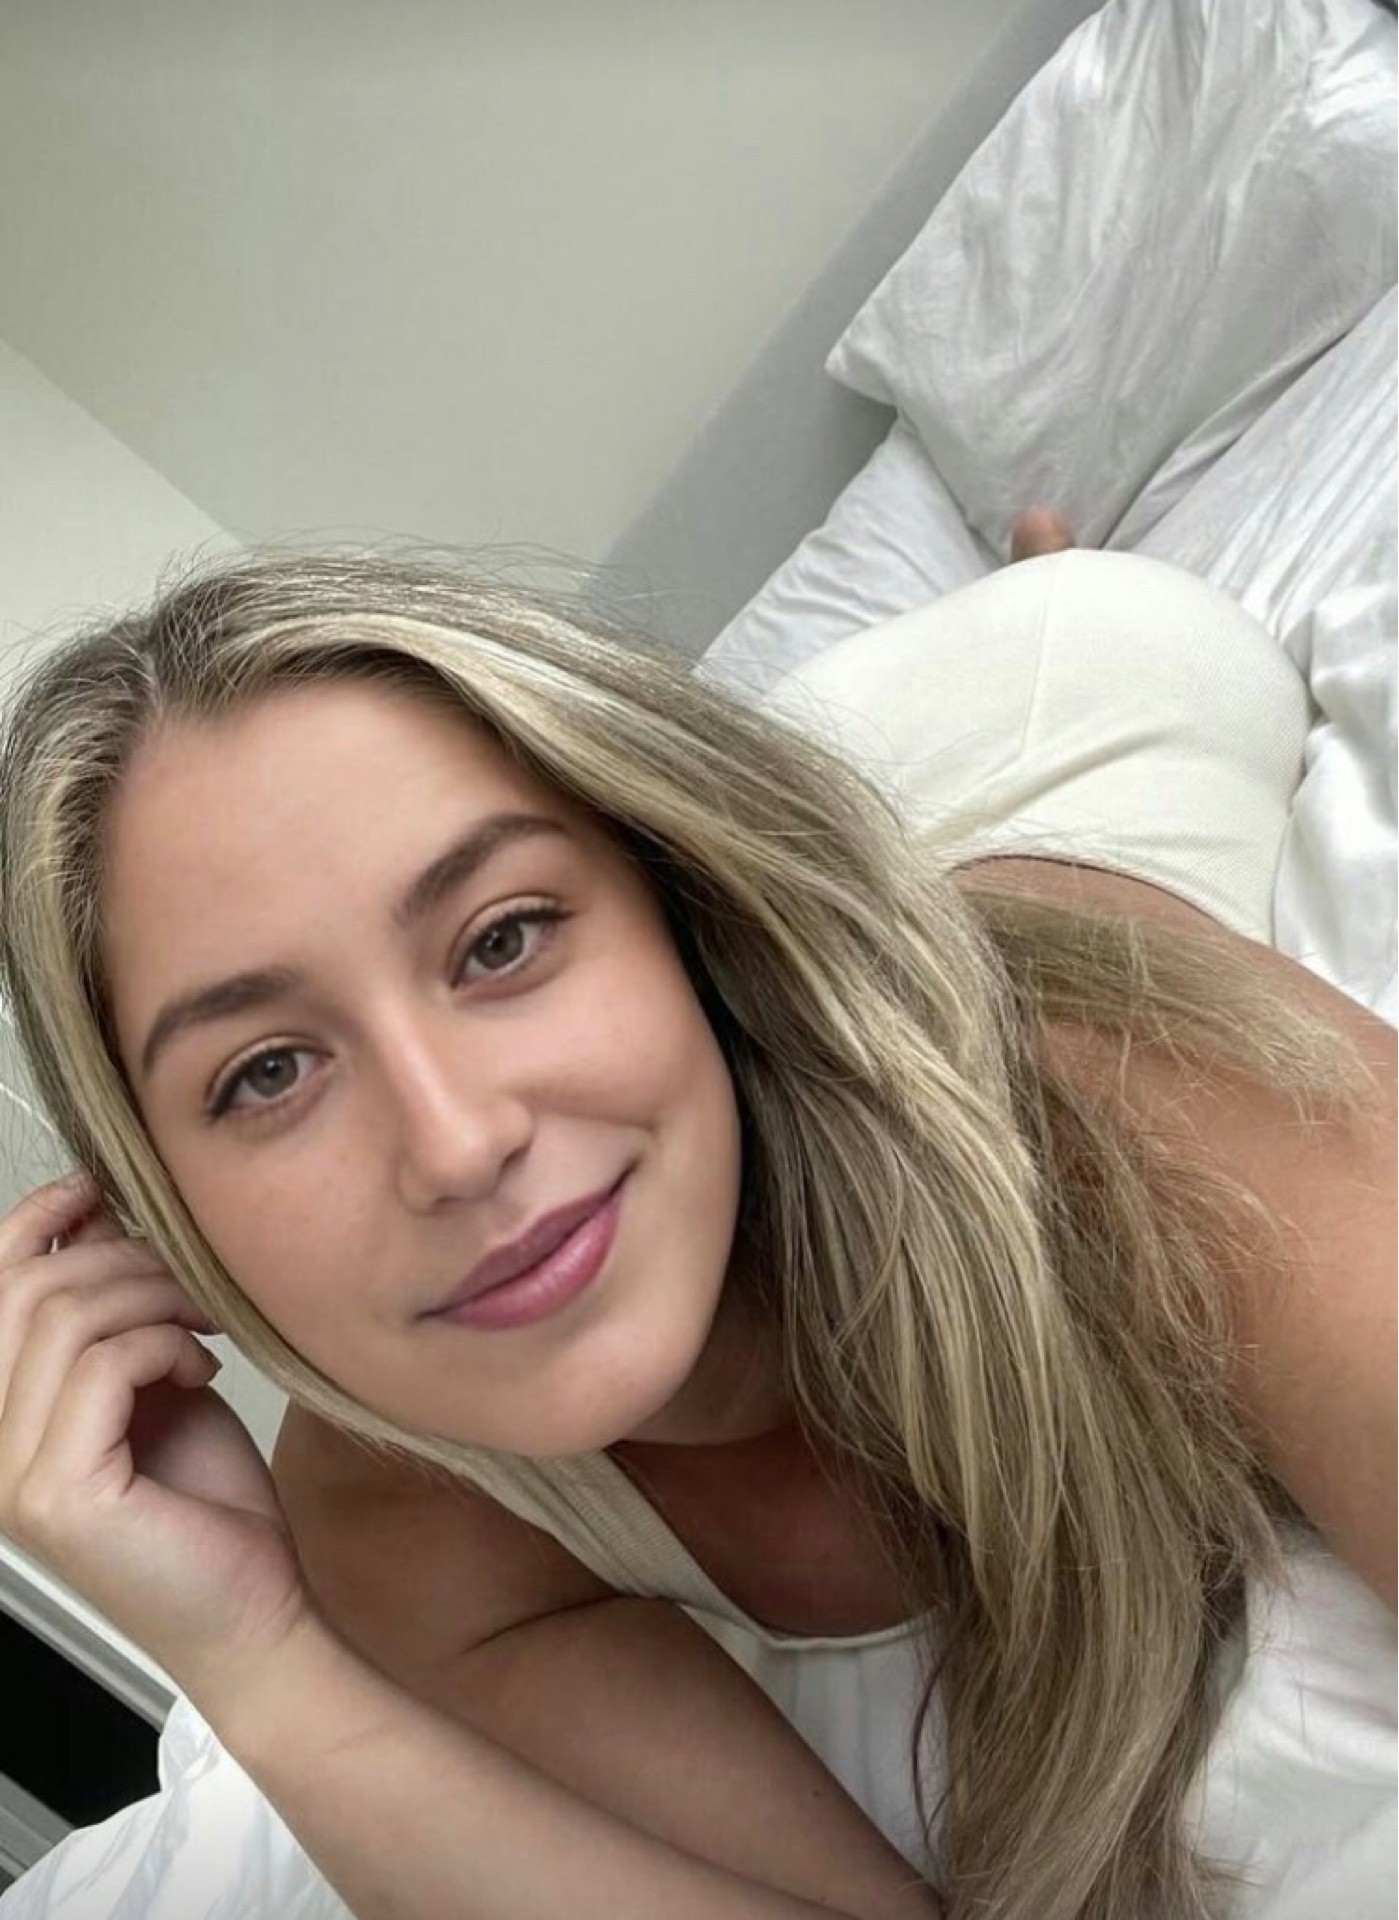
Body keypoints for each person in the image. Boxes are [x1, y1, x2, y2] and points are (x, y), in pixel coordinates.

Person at [0, 513, 1391, 1920]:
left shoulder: (1115, 1072)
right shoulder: (390, 1511)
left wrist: (1052, 598)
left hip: (1051, 694)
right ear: (165, 1214)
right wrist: (262, 1669)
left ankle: (1035, 555)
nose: (458, 1146)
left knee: (1014, 633)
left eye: (502, 938)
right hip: (814, 830)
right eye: (266, 1074)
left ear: (682, 904)